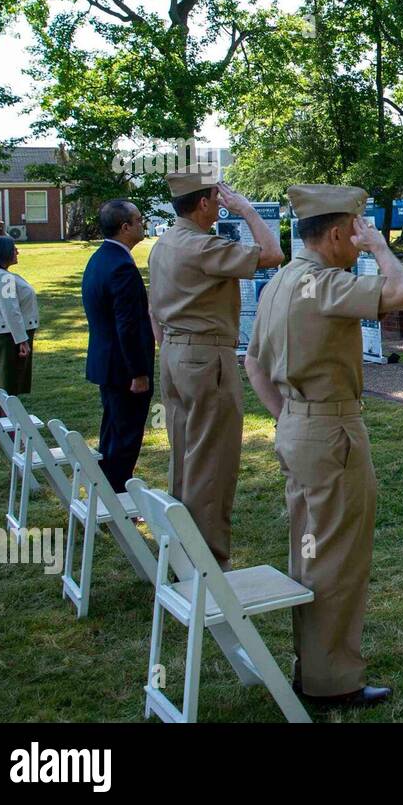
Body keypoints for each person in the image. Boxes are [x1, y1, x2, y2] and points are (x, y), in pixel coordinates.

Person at [244, 184, 403, 708]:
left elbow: (252, 362)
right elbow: (401, 295)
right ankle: (332, 680)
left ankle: (312, 665)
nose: (358, 241)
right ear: (337, 233)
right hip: (332, 432)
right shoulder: (322, 283)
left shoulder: (277, 283)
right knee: (338, 558)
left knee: (310, 550)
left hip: (298, 426)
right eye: (356, 231)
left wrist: (290, 417)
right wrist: (383, 250)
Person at [147, 170, 284, 570]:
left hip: (174, 353)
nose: (223, 201)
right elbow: (273, 254)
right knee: (214, 459)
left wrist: (171, 347)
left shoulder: (165, 243)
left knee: (185, 455)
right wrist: (246, 211)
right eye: (218, 196)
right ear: (204, 203)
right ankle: (206, 561)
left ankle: (180, 549)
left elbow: (153, 307)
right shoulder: (199, 245)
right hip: (206, 357)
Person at [83, 199, 156, 493]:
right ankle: (118, 498)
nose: (143, 224)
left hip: (106, 361)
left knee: (112, 432)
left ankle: (106, 490)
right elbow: (127, 326)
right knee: (125, 437)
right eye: (138, 220)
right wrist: (138, 373)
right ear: (125, 227)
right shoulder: (122, 267)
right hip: (124, 369)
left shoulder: (100, 258)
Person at [0, 236, 38, 396]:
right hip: (8, 336)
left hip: (1, 334)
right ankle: (7, 417)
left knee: (3, 380)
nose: (17, 252)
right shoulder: (4, 278)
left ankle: (3, 415)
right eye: (13, 249)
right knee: (9, 383)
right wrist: (22, 340)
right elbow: (10, 310)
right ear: (3, 253)